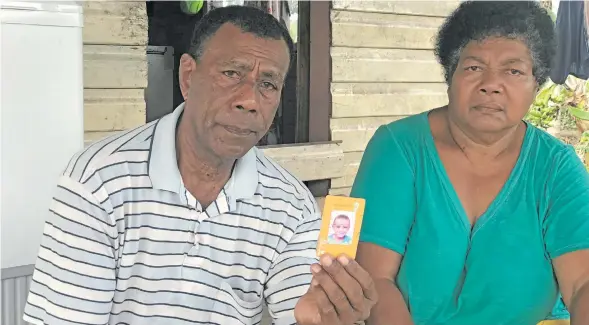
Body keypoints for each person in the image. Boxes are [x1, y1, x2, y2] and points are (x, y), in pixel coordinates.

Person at [23, 6, 376, 325]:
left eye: (268, 84)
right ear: (188, 77)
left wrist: (321, 318)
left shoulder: (292, 206)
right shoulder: (98, 181)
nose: (250, 100)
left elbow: (302, 308)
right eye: (231, 73)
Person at [351, 1, 589, 325]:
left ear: (536, 85)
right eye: (474, 67)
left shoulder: (557, 169)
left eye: (514, 70)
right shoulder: (398, 149)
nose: (491, 84)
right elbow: (375, 280)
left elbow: (582, 285)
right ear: (450, 76)